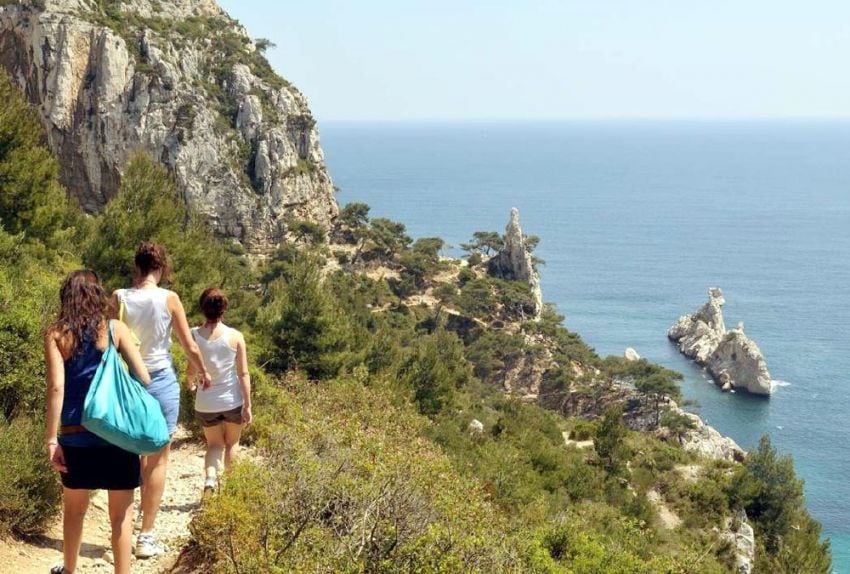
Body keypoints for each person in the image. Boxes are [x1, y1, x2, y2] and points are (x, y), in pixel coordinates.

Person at [45, 270, 151, 574]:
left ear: (67, 296)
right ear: (98, 295)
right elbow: (143, 377)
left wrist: (52, 439)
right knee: (121, 515)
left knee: (74, 510)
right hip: (117, 433)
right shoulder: (116, 329)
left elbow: (56, 388)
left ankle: (69, 569)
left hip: (76, 434)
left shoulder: (56, 334)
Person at [110, 242, 211, 559]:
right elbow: (189, 346)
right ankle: (146, 536)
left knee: (127, 455)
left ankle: (121, 532)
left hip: (127, 382)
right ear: (162, 268)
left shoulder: (118, 297)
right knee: (157, 460)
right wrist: (201, 372)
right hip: (161, 382)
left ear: (136, 267)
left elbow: (108, 342)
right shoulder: (170, 299)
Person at [188, 288, 252, 493]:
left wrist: (190, 382)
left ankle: (210, 481)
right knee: (232, 443)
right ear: (224, 309)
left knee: (214, 444)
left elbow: (191, 368)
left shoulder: (193, 335)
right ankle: (231, 490)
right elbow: (243, 374)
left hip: (206, 402)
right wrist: (248, 405)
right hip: (232, 400)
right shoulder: (235, 336)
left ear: (202, 308)